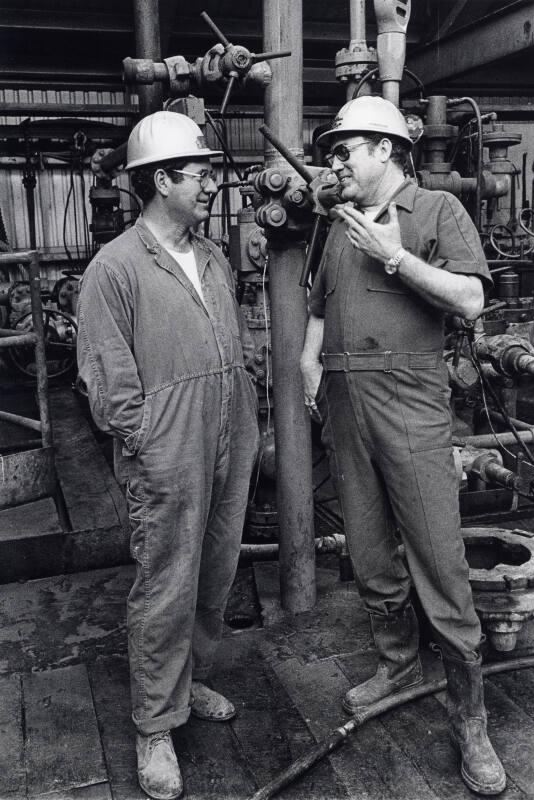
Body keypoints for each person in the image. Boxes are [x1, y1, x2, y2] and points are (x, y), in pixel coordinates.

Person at [300, 95, 506, 796]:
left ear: (384, 149)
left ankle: (469, 717)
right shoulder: (337, 225)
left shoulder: (437, 210)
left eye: (344, 150)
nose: (335, 163)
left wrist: (395, 257)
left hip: (410, 399)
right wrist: (307, 360)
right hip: (344, 399)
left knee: (438, 555)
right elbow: (319, 306)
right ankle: (398, 662)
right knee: (366, 546)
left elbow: (471, 300)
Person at [77, 110, 259, 800]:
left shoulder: (211, 256)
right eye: (198, 174)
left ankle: (189, 682)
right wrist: (148, 441)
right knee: (165, 583)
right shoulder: (115, 267)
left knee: (216, 567)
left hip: (230, 428)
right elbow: (106, 378)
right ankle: (154, 725)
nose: (210, 184)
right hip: (168, 445)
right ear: (160, 180)